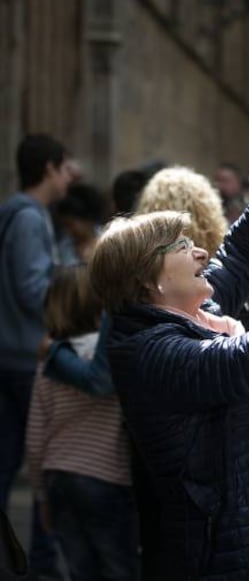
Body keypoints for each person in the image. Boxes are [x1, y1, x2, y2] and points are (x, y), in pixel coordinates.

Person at [88, 145, 249, 580]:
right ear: (148, 279)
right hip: (222, 555)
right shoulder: (150, 350)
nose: (199, 255)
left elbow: (241, 256)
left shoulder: (184, 316)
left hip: (248, 537)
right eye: (183, 247)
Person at [26, 265, 139, 581]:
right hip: (108, 478)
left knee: (80, 571)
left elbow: (35, 438)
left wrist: (40, 496)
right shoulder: (113, 359)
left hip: (58, 477)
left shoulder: (49, 362)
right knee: (120, 567)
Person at [0, 133, 71, 578]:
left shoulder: (16, 212)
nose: (67, 178)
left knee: (9, 463)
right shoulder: (28, 217)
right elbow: (31, 288)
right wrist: (71, 292)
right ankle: (40, 567)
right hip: (25, 357)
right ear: (49, 168)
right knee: (46, 470)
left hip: (11, 352)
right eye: (64, 168)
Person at [55, 183, 106, 265]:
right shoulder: (63, 247)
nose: (67, 231)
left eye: (70, 225)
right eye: (64, 225)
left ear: (87, 219)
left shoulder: (107, 241)